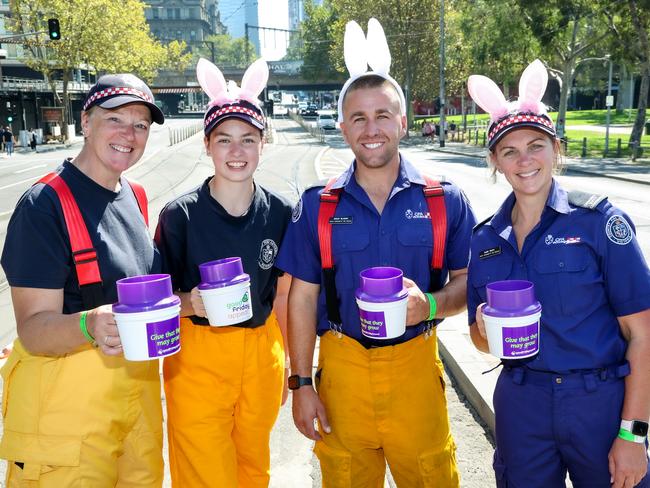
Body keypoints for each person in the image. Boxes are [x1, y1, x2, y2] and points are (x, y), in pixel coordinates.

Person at [276, 19, 476, 487]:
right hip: (342, 371)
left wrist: (427, 305)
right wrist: (302, 384)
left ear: (403, 122)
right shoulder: (316, 206)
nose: (372, 129)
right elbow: (300, 300)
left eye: (383, 115)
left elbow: (468, 284)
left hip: (416, 368)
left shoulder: (445, 201)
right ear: (343, 126)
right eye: (359, 118)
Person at [466, 59, 650, 488]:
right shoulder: (485, 238)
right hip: (521, 402)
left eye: (536, 145)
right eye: (509, 151)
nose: (524, 160)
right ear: (494, 160)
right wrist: (482, 329)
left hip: (599, 404)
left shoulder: (599, 222)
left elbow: (643, 334)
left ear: (556, 149)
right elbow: (479, 339)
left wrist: (634, 434)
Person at [0, 74, 166, 486]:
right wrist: (88, 324)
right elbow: (35, 330)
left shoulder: (135, 195)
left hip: (135, 403)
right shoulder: (44, 206)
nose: (129, 134)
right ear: (86, 121)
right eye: (115, 119)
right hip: (65, 418)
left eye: (141, 125)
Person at [154, 58, 292, 488]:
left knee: (253, 468)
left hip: (261, 351)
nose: (237, 152)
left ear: (263, 144)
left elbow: (285, 295)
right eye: (225, 140)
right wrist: (190, 303)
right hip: (198, 357)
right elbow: (155, 301)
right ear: (206, 145)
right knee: (204, 474)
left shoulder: (282, 213)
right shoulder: (179, 216)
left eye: (248, 139)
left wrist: (289, 361)